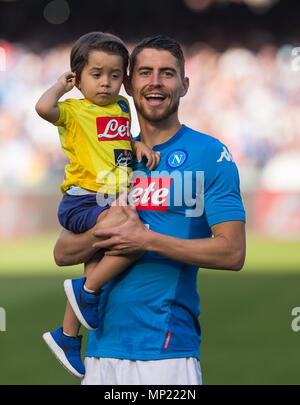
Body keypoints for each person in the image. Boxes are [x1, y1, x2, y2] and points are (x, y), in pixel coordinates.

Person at [53, 35, 246, 385]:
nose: (155, 82)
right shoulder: (108, 155)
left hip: (166, 352)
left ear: (184, 85)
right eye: (144, 72)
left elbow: (233, 252)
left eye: (167, 74)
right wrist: (106, 233)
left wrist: (146, 240)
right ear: (128, 83)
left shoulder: (210, 154)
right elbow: (63, 252)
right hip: (98, 353)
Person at [35, 32, 160, 379]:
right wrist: (61, 87)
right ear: (78, 77)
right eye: (96, 74)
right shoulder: (74, 110)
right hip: (84, 198)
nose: (106, 83)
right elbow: (43, 108)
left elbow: (117, 141)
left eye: (115, 75)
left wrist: (135, 146)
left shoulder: (122, 107)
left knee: (97, 261)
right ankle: (84, 290)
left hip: (110, 196)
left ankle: (68, 336)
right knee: (132, 235)